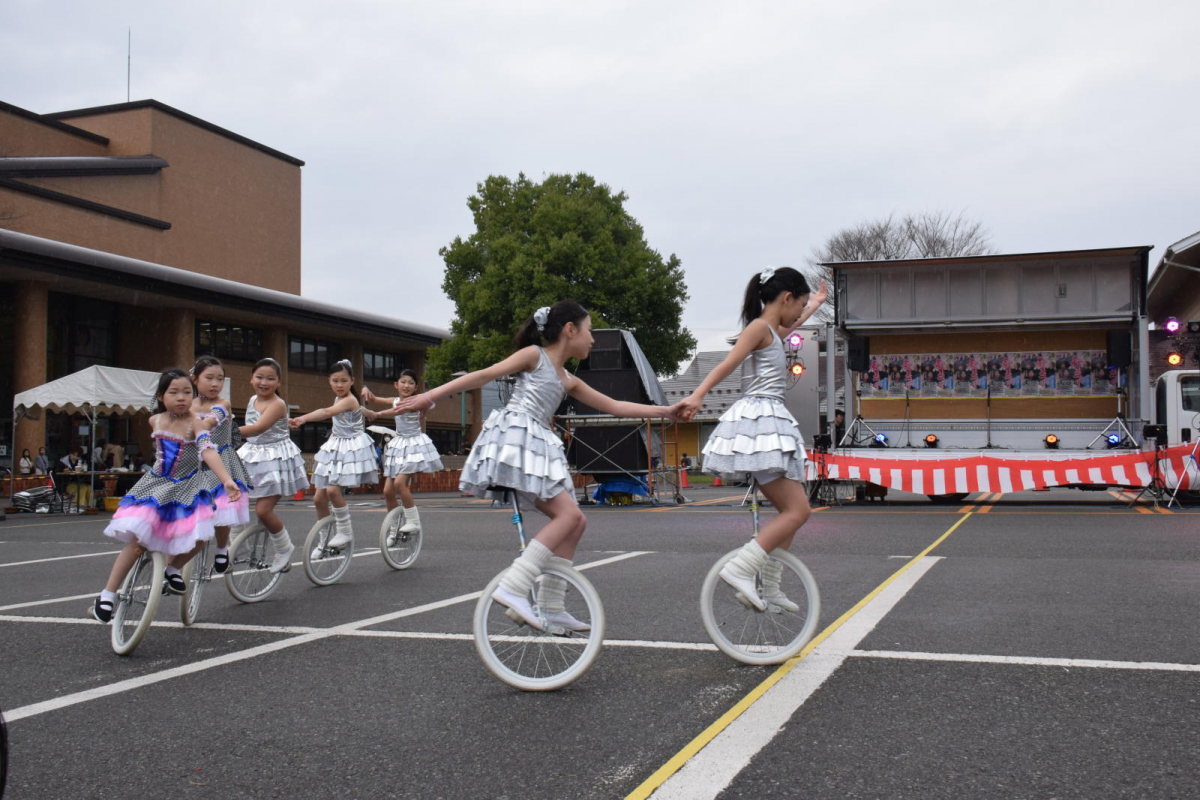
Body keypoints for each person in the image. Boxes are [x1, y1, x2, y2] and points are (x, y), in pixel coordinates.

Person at [397, 300, 683, 630]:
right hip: (518, 437)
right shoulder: (535, 356)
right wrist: (429, 396)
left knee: (576, 523)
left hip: (538, 443)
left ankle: (550, 603)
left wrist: (667, 411)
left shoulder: (568, 379)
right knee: (570, 516)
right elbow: (484, 375)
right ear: (570, 330)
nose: (592, 339)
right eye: (589, 331)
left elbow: (616, 405)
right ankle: (514, 586)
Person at [678, 267, 826, 611]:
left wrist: (815, 303)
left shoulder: (773, 330)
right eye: (799, 304)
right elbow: (729, 363)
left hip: (769, 420)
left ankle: (770, 585)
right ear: (786, 298)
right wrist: (699, 394)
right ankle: (742, 568)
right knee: (797, 510)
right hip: (759, 422)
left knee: (793, 509)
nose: (799, 313)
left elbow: (791, 325)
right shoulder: (760, 328)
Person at [89, 369, 239, 622]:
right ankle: (107, 596)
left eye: (187, 392)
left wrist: (226, 480)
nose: (181, 398)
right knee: (138, 542)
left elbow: (208, 451)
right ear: (161, 396)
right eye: (174, 392)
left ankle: (172, 569)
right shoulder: (155, 421)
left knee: (201, 536)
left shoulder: (197, 423)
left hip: (188, 486)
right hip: (156, 485)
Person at [169, 356, 252, 584]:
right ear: (195, 379)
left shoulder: (223, 403)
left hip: (221, 460)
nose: (215, 384)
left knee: (224, 507)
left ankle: (222, 548)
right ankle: (170, 569)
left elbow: (213, 420)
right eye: (209, 378)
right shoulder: (188, 404)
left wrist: (199, 426)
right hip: (193, 463)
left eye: (220, 379)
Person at [289, 359, 377, 552]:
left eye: (344, 380)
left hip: (351, 448)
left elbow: (327, 411)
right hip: (336, 446)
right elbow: (359, 409)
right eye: (335, 380)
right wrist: (369, 412)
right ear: (329, 381)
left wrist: (303, 418)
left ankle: (345, 531)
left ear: (352, 381)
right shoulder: (345, 400)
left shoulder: (349, 399)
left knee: (332, 491)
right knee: (318, 499)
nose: (339, 385)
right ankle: (324, 539)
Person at [236, 357, 309, 573]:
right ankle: (235, 544)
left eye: (270, 379)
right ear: (251, 379)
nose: (264, 382)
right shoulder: (252, 399)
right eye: (259, 377)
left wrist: (223, 433)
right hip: (253, 456)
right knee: (231, 499)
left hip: (276, 460)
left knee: (263, 511)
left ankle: (284, 548)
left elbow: (258, 428)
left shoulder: (278, 404)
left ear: (278, 383)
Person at [362, 368, 443, 544]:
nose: (406, 385)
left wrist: (378, 414)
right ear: (396, 385)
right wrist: (366, 389)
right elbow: (374, 399)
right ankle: (394, 528)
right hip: (399, 445)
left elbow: (398, 411)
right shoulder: (395, 400)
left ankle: (413, 521)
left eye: (411, 383)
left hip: (413, 446)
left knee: (399, 483)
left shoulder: (416, 401)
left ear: (415, 388)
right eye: (403, 382)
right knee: (387, 491)